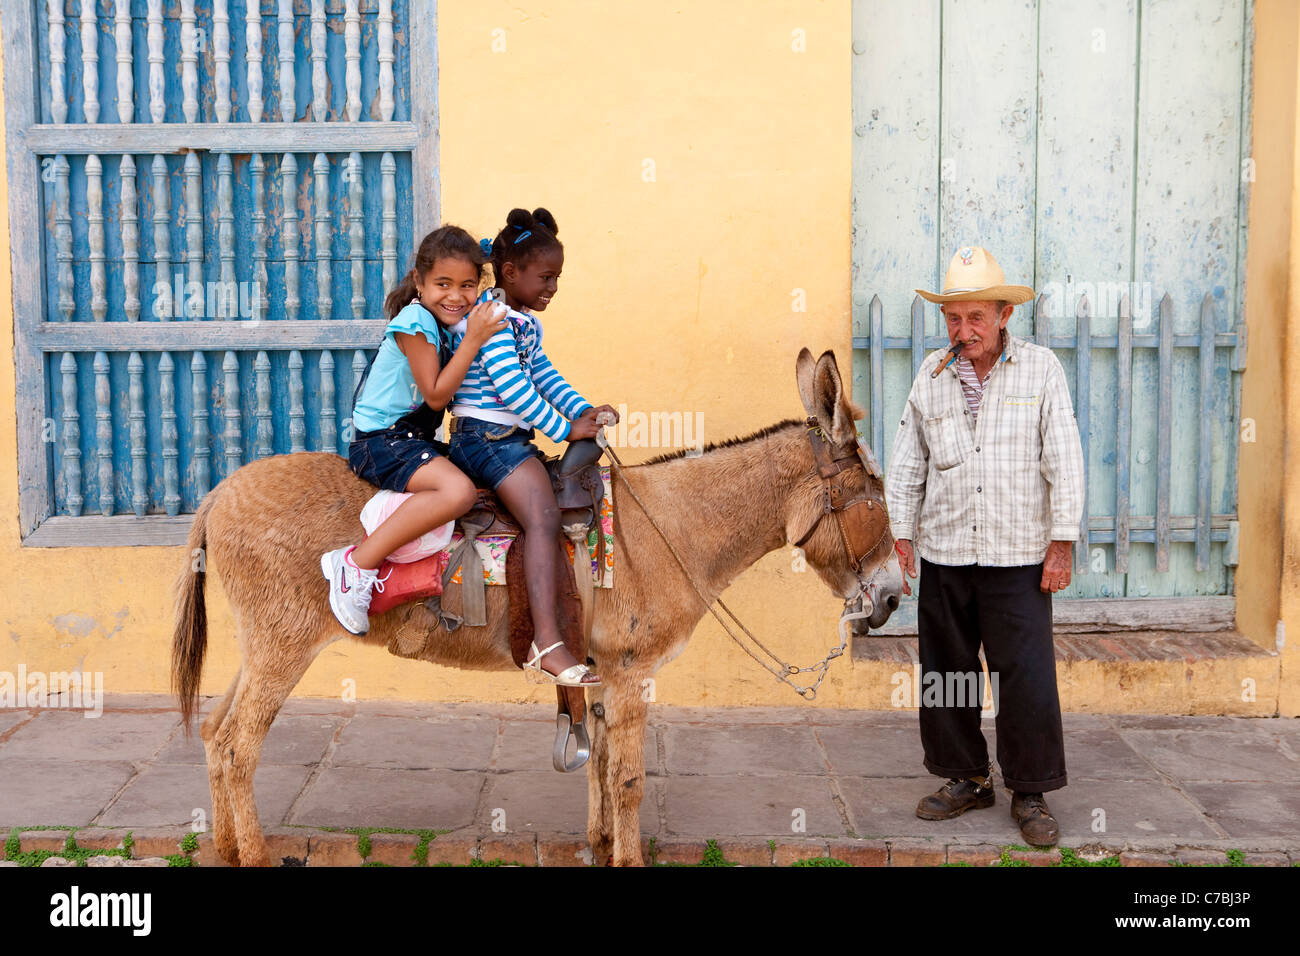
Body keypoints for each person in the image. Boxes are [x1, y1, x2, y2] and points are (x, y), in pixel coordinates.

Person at [885, 245, 1085, 847]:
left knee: (1024, 676)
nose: (964, 330)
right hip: (947, 551)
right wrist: (901, 533)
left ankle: (1031, 789)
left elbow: (1064, 459)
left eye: (977, 317)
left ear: (1004, 315)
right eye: (953, 318)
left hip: (1017, 555)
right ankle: (966, 777)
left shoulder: (1040, 369)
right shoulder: (932, 374)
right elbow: (907, 460)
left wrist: (1062, 543)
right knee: (947, 674)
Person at [447, 207, 619, 686]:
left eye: (557, 277)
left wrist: (583, 410)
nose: (553, 287)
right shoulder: (495, 320)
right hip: (483, 439)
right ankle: (547, 643)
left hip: (508, 439)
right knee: (542, 517)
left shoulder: (523, 323)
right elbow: (512, 389)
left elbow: (545, 377)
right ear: (510, 273)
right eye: (545, 276)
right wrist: (566, 431)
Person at [321, 225, 508, 636]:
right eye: (443, 284)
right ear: (420, 283)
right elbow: (437, 395)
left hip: (412, 440)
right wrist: (475, 338)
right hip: (383, 443)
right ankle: (357, 563)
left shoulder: (442, 325)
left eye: (467, 286)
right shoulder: (416, 321)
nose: (455, 296)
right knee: (456, 493)